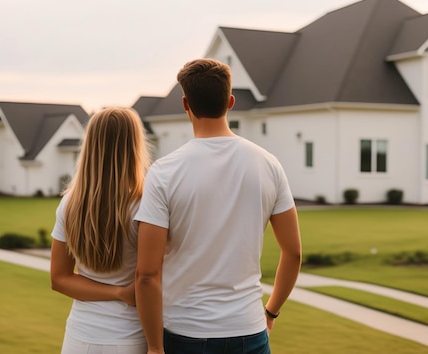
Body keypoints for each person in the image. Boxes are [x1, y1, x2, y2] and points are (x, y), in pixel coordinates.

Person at [134, 58, 302, 354]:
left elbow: (147, 274)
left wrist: (154, 348)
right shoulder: (268, 164)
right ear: (231, 102)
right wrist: (271, 311)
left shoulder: (164, 172)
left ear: (186, 104)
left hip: (185, 333)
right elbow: (294, 253)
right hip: (249, 331)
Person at [50, 107, 152, 354]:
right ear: (134, 145)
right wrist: (122, 293)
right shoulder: (147, 204)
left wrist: (117, 292)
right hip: (130, 338)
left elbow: (60, 279)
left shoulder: (70, 203)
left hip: (78, 338)